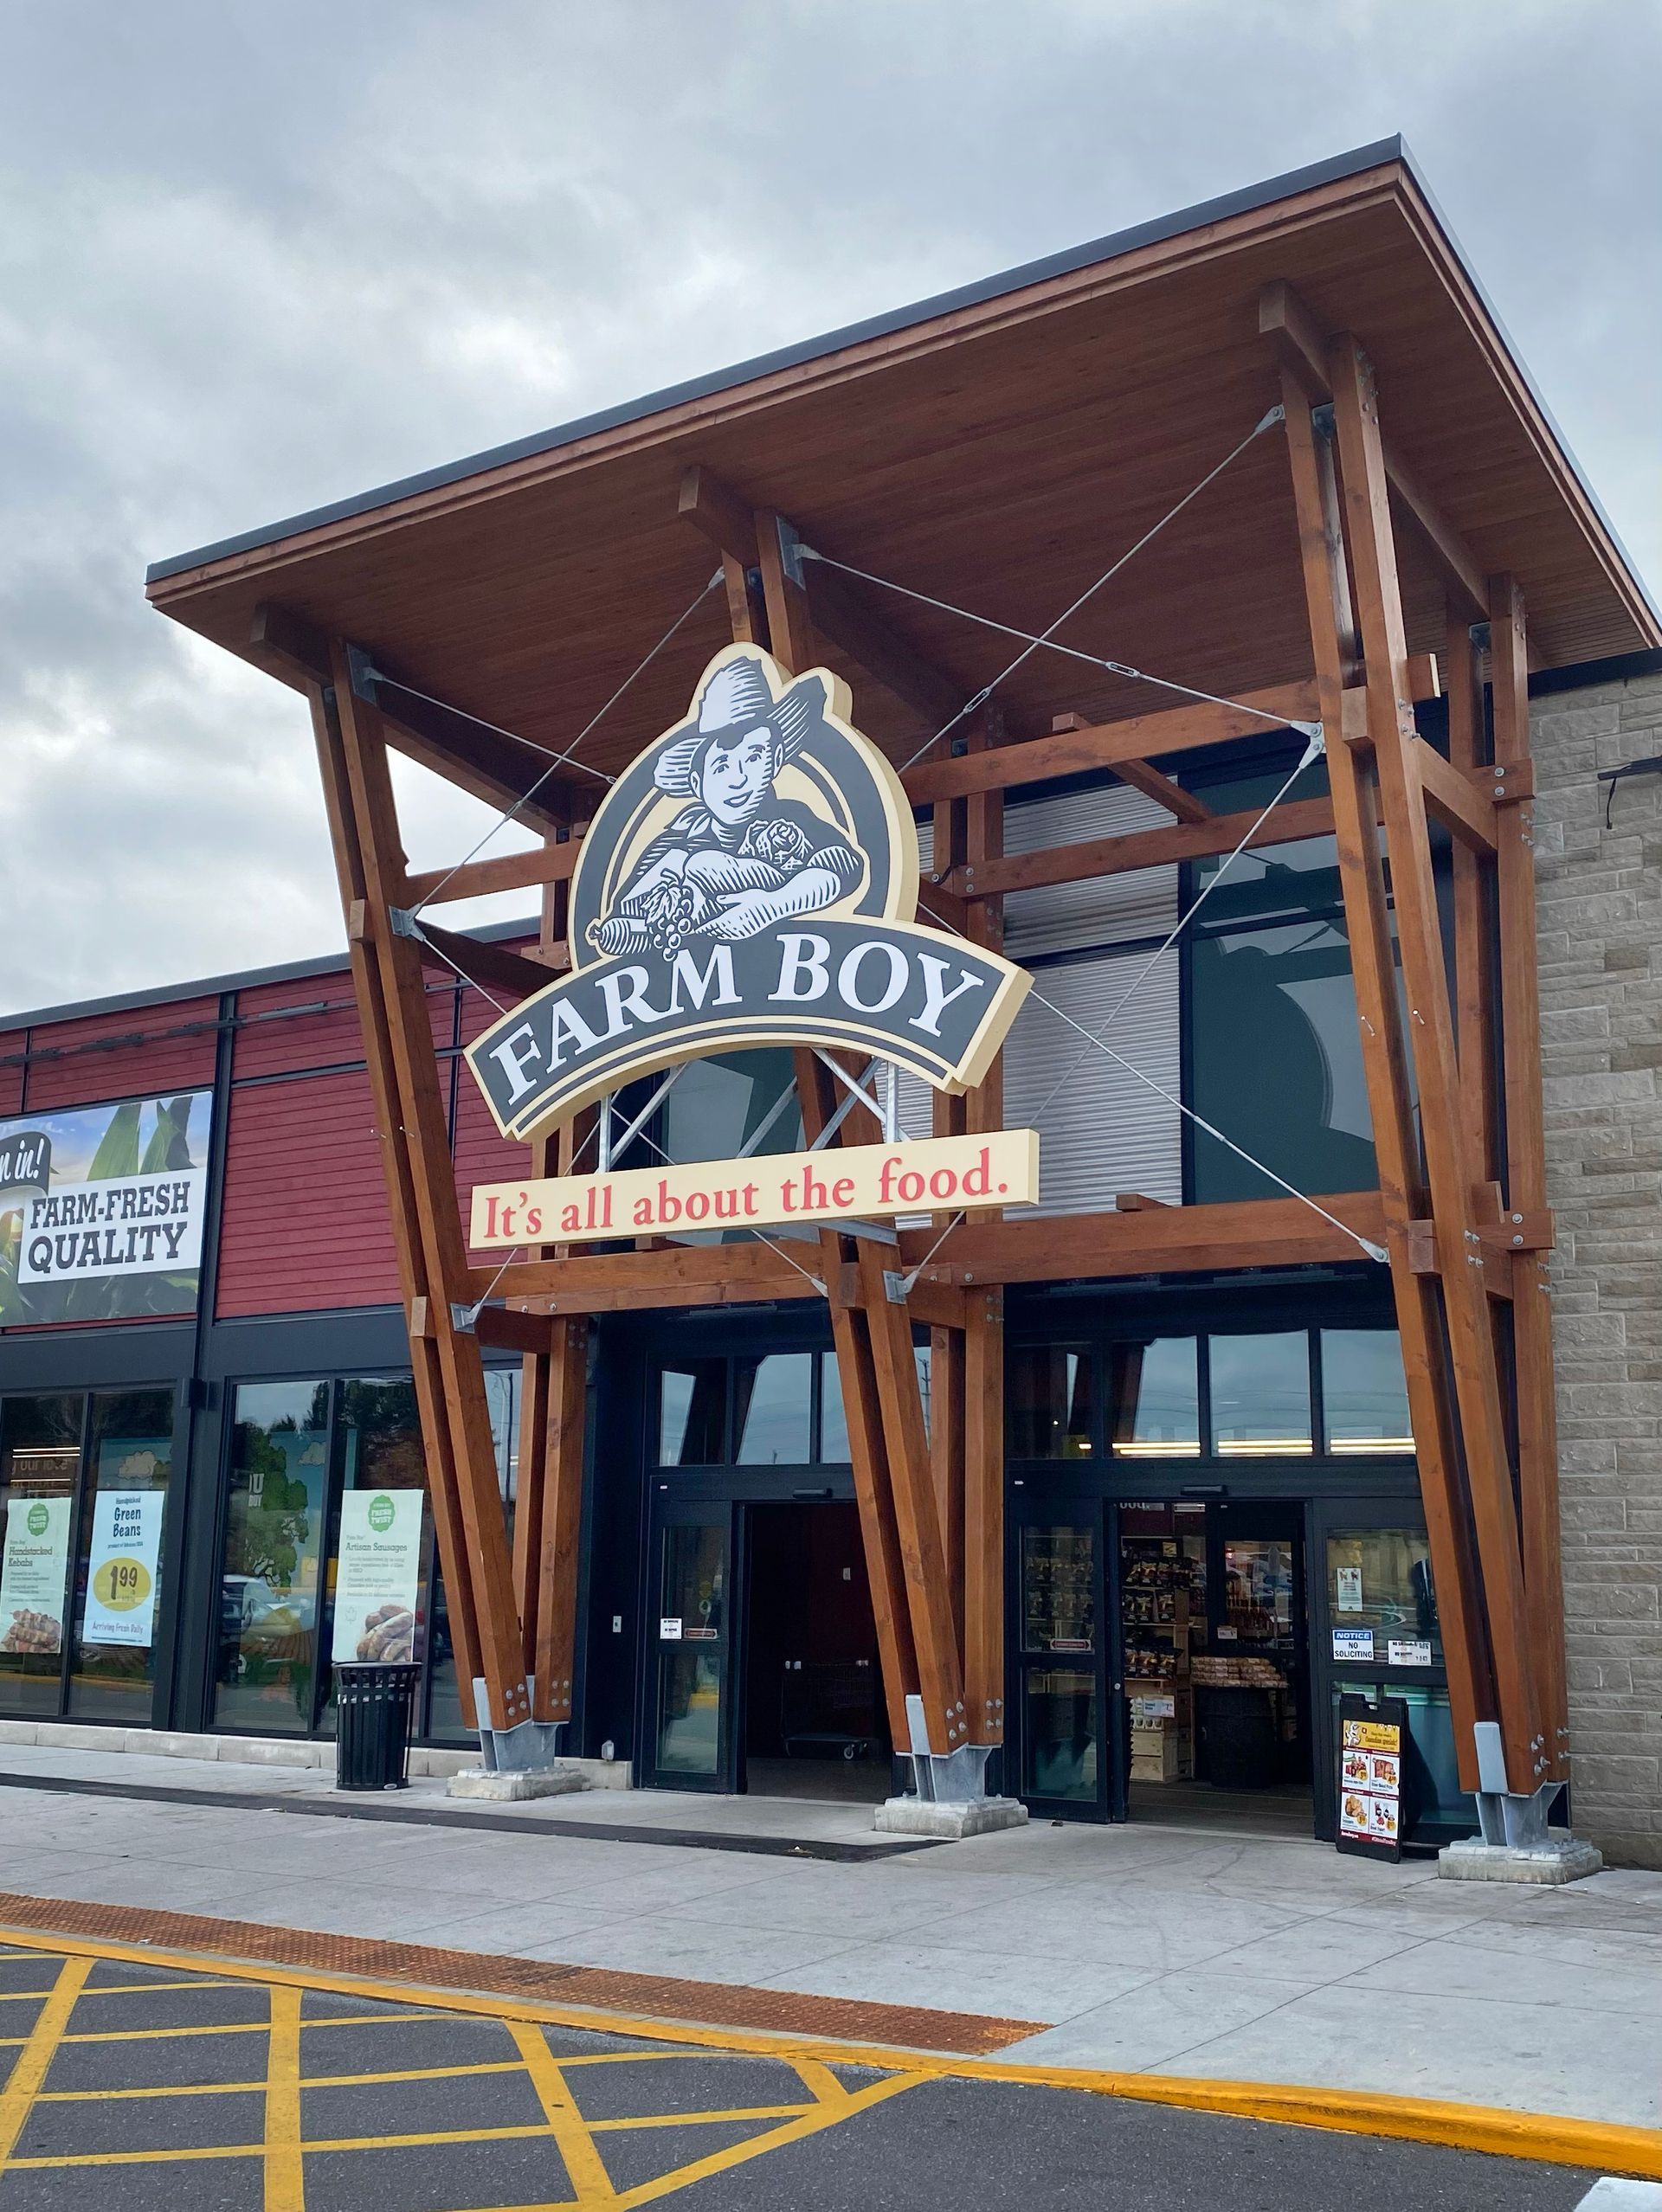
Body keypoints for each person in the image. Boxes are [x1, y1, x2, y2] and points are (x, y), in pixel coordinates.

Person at [589, 656, 862, 958]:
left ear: (775, 760)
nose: (739, 779)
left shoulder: (790, 819)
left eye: (755, 757)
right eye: (721, 766)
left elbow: (843, 864)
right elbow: (624, 914)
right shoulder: (674, 843)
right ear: (697, 781)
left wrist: (771, 905)